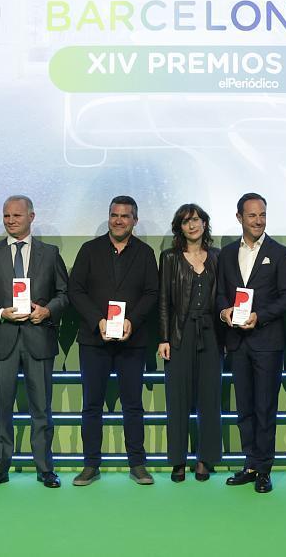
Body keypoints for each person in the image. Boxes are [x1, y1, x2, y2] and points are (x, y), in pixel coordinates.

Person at [0, 195, 69, 489]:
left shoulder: (50, 253)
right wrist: (0, 312)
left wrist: (47, 310)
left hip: (39, 339)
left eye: (17, 215)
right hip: (1, 340)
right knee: (1, 409)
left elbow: (64, 293)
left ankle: (45, 469)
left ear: (31, 217)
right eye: (6, 216)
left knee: (42, 409)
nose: (11, 221)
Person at [69, 196, 159, 486]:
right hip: (95, 340)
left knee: (133, 406)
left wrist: (132, 320)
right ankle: (90, 466)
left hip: (132, 342)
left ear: (135, 220)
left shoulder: (145, 253)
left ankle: (138, 464)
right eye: (114, 215)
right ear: (108, 217)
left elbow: (151, 294)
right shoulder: (89, 250)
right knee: (91, 406)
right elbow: (76, 291)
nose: (118, 220)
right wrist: (99, 321)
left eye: (125, 216)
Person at [216, 192, 286, 494]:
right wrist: (224, 312)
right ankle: (250, 464)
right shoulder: (225, 254)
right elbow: (220, 294)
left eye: (262, 214)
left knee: (265, 408)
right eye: (252, 215)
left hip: (267, 342)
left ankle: (264, 469)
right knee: (244, 408)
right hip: (237, 342)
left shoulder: (279, 252)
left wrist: (259, 316)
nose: (258, 220)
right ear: (239, 218)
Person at [157, 204, 222, 483]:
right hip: (179, 334)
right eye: (186, 222)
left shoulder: (218, 257)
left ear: (204, 224)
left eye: (196, 220)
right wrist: (163, 338)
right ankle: (178, 461)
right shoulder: (169, 258)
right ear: (179, 228)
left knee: (209, 399)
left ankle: (205, 459)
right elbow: (163, 301)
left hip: (211, 333)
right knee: (178, 399)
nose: (192, 225)